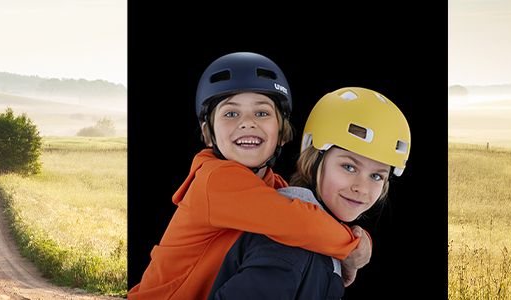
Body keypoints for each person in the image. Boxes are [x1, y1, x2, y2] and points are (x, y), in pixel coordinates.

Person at [128, 53, 370, 300]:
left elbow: (310, 223)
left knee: (306, 219)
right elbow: (300, 223)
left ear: (283, 133)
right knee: (302, 228)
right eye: (231, 114)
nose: (247, 123)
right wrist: (350, 247)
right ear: (208, 134)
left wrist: (352, 244)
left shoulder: (273, 187)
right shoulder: (215, 179)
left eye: (262, 113)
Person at [207, 87, 410, 299]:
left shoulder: (315, 230)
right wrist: (348, 246)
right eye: (349, 167)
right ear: (313, 159)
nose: (362, 188)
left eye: (377, 176)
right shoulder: (290, 243)